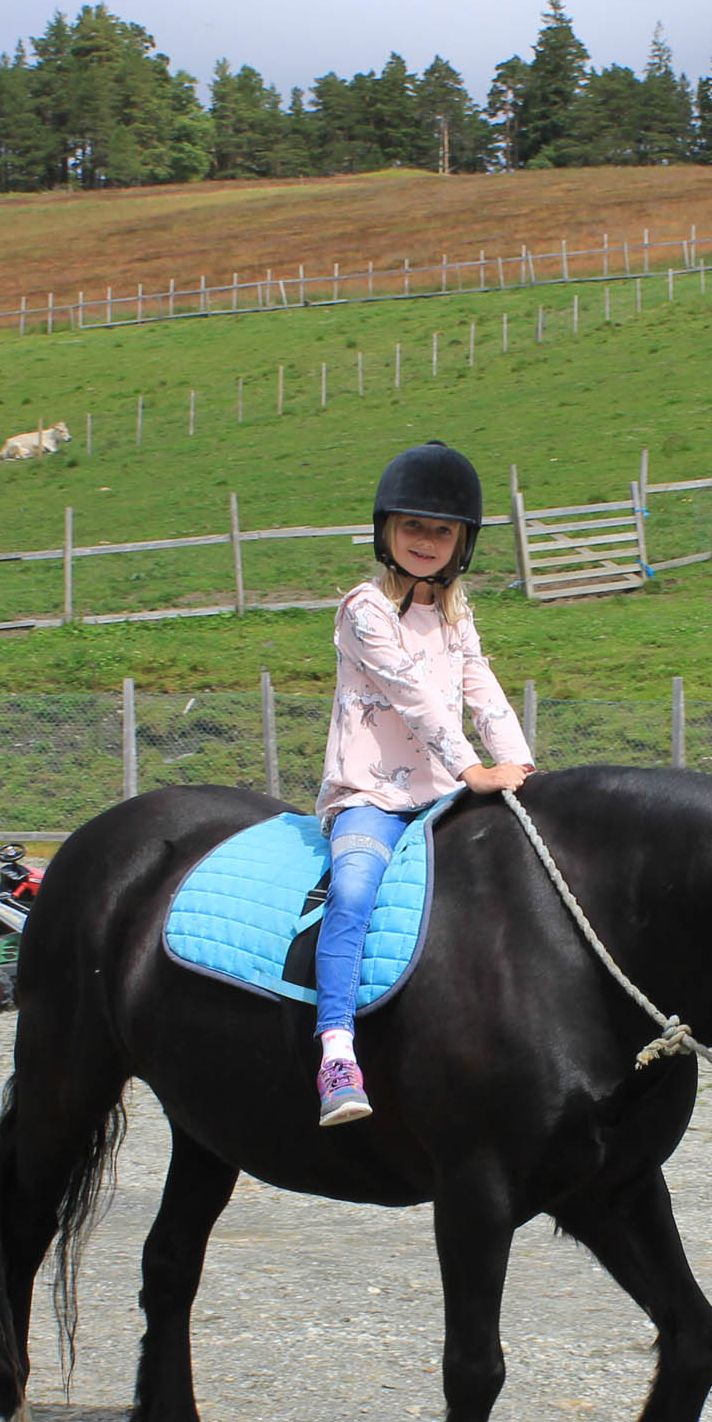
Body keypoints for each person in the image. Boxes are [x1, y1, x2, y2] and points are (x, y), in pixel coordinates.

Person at [310, 442, 534, 1126]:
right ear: (387, 532)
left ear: (462, 541)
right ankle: (337, 1051)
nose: (427, 541)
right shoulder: (364, 610)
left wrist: (519, 764)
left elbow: (480, 687)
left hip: (443, 794)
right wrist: (476, 769)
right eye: (414, 527)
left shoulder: (456, 613)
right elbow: (416, 699)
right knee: (351, 891)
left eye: (441, 530)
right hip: (371, 795)